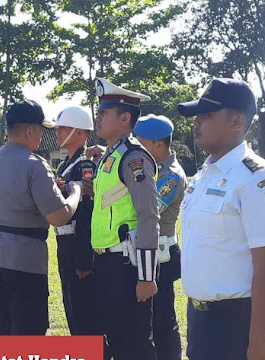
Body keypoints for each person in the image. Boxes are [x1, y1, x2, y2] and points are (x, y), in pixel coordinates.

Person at [177, 78, 265, 360]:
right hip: (202, 318)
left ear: (237, 121)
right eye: (197, 116)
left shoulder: (255, 179)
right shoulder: (204, 174)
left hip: (239, 322)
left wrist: (258, 338)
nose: (197, 122)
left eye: (207, 115)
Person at [0, 99, 83, 335]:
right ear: (30, 130)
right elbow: (59, 217)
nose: (41, 137)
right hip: (25, 257)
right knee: (28, 329)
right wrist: (75, 192)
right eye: (39, 131)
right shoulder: (35, 165)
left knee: (1, 326)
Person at [90, 78, 159, 360]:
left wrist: (146, 276)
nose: (97, 117)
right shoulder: (111, 156)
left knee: (135, 346)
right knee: (116, 341)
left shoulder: (134, 159)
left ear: (125, 118)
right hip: (107, 263)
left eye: (104, 113)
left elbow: (148, 216)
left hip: (127, 266)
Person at [134, 114, 187, 360]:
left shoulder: (171, 176)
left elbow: (150, 208)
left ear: (158, 144)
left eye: (140, 141)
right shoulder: (151, 168)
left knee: (164, 322)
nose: (135, 146)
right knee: (147, 320)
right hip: (147, 252)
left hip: (162, 257)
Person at [52, 106, 103, 337]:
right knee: (72, 309)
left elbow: (87, 213)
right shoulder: (65, 165)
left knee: (85, 315)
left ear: (80, 132)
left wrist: (84, 259)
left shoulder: (85, 165)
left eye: (63, 128)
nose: (58, 132)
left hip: (78, 244)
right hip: (65, 244)